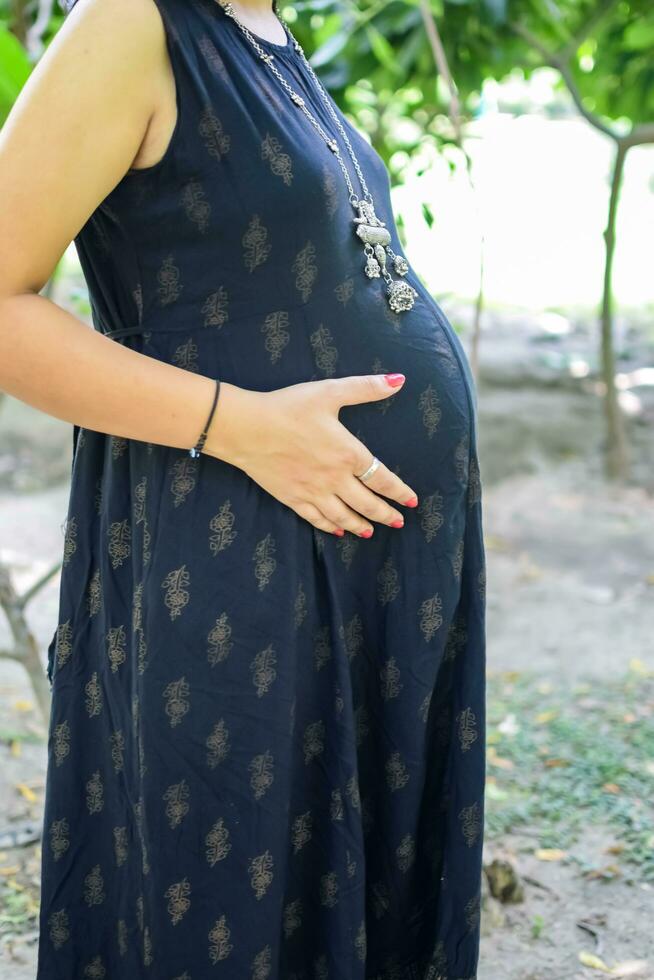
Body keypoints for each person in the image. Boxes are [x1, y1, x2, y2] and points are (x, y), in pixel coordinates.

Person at [0, 0, 487, 975]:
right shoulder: (134, 21)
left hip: (362, 583)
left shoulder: (274, 34)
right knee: (231, 894)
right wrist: (244, 426)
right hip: (232, 561)